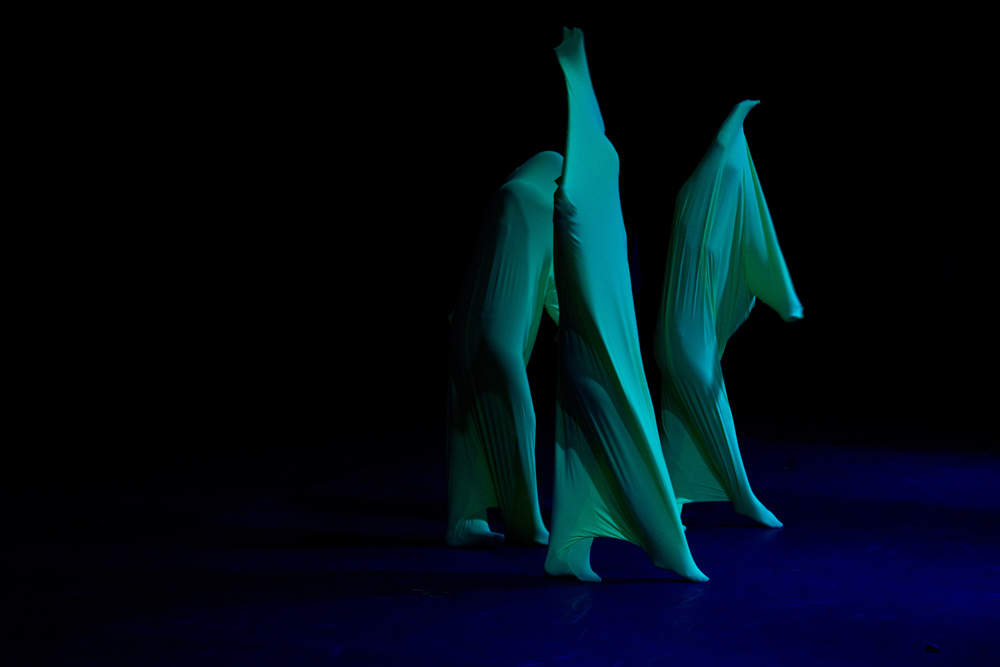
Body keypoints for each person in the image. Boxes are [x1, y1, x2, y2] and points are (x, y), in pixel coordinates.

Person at [544, 27, 708, 583]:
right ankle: (665, 543)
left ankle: (567, 548)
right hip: (594, 335)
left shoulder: (588, 174)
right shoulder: (577, 191)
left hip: (601, 327)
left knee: (585, 434)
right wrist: (575, 68)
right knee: (622, 422)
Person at [653, 100, 803, 530]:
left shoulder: (698, 209)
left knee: (681, 417)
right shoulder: (701, 205)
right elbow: (759, 244)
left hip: (681, 338)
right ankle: (742, 496)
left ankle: (674, 496)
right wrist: (742, 111)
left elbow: (754, 236)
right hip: (685, 342)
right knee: (708, 406)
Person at [446, 151, 563, 548]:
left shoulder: (510, 197)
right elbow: (553, 286)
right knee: (516, 416)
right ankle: (524, 523)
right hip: (496, 333)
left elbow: (546, 281)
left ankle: (466, 520)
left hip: (471, 326)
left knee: (468, 425)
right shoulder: (528, 201)